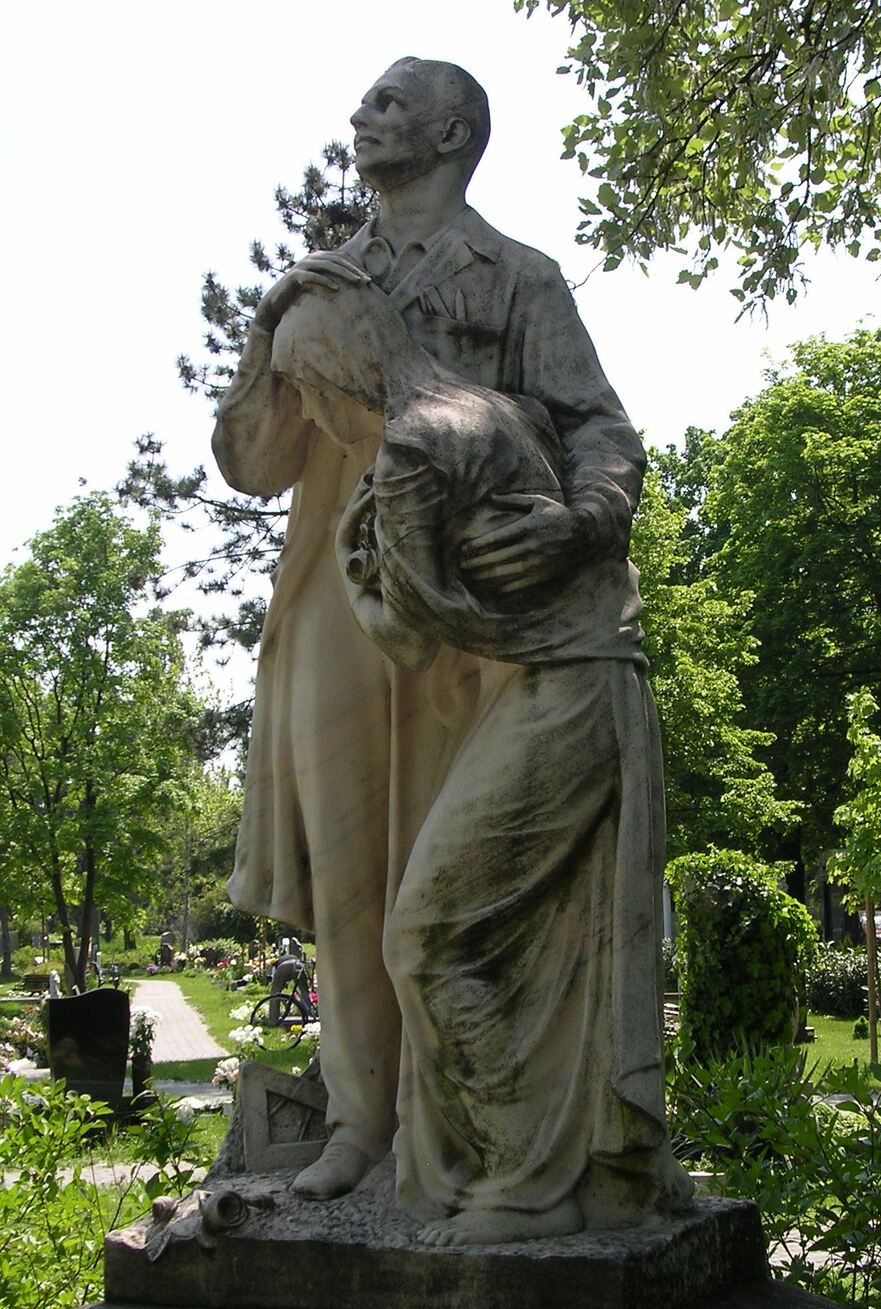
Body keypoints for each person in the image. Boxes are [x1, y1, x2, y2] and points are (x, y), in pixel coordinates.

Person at [212, 56, 690, 1242]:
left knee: (450, 871)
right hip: (341, 597)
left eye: (389, 103)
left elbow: (598, 427)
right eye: (365, 104)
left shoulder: (516, 275)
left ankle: (460, 1138)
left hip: (474, 620)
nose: (361, 117)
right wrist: (267, 330)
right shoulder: (320, 286)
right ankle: (355, 1125)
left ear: (452, 131)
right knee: (349, 869)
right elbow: (250, 464)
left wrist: (587, 518)